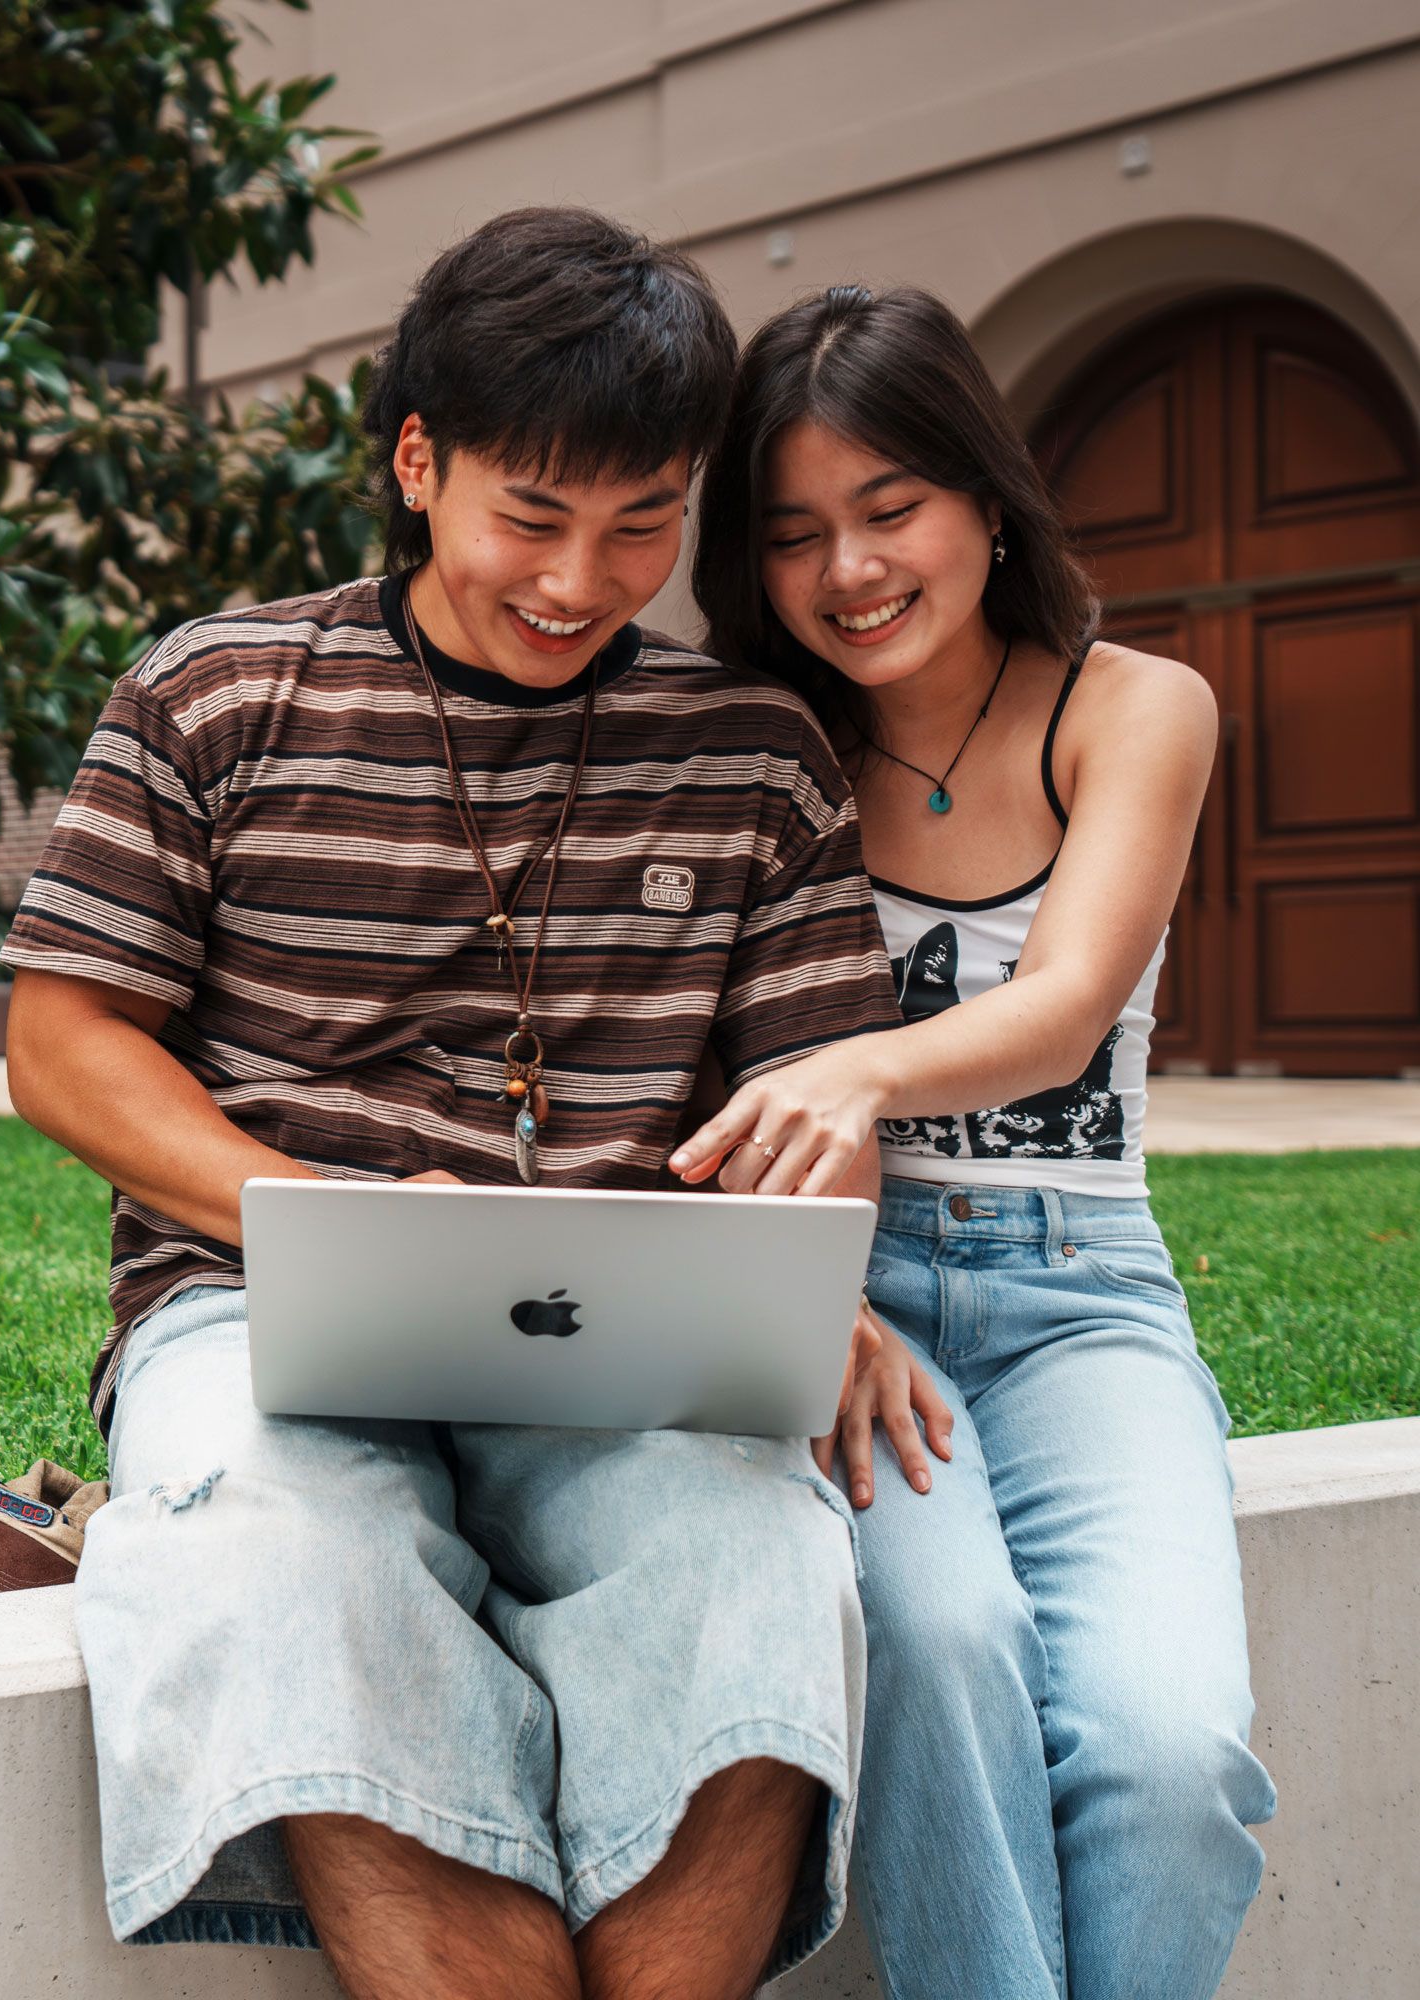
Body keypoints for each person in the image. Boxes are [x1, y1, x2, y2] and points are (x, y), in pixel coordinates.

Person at [0, 208, 909, 2000]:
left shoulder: (753, 752)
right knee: (287, 1558)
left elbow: (820, 1095)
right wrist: (295, 1210)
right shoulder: (217, 692)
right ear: (419, 463)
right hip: (261, 1307)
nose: (582, 581)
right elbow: (65, 1040)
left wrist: (818, 1271)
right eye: (532, 518)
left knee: (765, 1572)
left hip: (634, 1349)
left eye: (643, 524)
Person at [674, 283, 1277, 1999]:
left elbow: (1072, 1000)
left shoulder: (1133, 703)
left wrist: (859, 1071)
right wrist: (799, 1289)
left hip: (1081, 1289)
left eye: (891, 510)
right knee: (943, 1652)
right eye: (793, 535)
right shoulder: (753, 745)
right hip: (842, 1307)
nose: (850, 571)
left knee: (1174, 1750)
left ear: (984, 497)